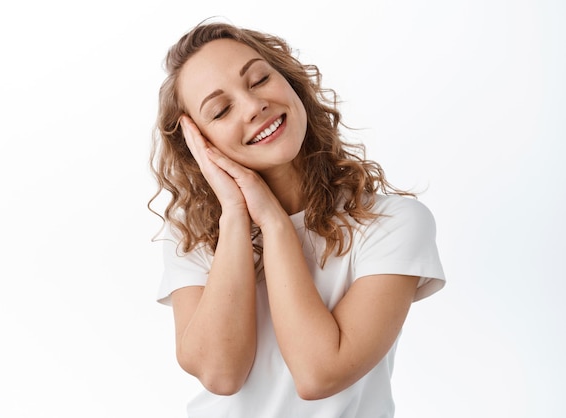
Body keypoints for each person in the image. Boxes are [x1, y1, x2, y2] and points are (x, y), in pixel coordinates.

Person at [149, 20, 446, 418]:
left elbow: (318, 374)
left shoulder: (393, 223)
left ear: (292, 82)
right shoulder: (193, 233)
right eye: (221, 110)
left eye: (258, 80)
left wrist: (273, 221)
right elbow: (221, 374)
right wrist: (236, 215)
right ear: (200, 144)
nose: (254, 106)